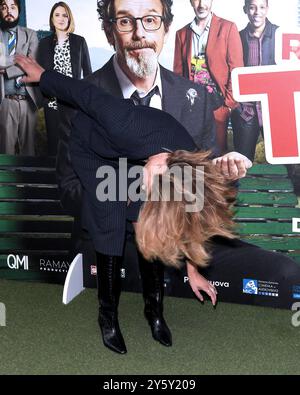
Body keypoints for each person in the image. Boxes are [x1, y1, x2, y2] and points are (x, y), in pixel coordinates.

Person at [16, 55, 300, 356]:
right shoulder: (122, 121)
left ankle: (154, 312)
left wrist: (192, 271)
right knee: (110, 220)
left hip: (144, 159)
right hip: (93, 149)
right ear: (155, 162)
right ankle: (108, 317)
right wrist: (43, 75)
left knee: (146, 230)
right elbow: (85, 94)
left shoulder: (186, 169)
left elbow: (189, 220)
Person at [54, 0, 253, 355]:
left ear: (165, 27)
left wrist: (192, 263)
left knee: (158, 247)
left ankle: (155, 314)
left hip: (166, 238)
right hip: (107, 234)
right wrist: (127, 201)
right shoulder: (83, 98)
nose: (140, 32)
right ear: (109, 29)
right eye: (126, 21)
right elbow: (70, 188)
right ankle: (108, 318)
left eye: (150, 20)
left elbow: (194, 191)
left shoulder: (197, 99)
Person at [173, 0, 244, 153]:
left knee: (218, 154)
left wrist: (228, 106)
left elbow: (236, 69)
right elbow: (178, 75)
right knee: (193, 153)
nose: (201, 4)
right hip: (192, 106)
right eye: (196, 0)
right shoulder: (182, 34)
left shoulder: (228, 28)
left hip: (218, 105)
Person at [37, 1, 92, 156]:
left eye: (65, 15)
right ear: (52, 19)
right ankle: (54, 179)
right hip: (51, 102)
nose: (61, 18)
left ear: (69, 19)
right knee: (54, 146)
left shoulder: (79, 41)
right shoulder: (44, 44)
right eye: (57, 15)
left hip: (73, 103)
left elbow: (88, 73)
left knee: (74, 144)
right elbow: (40, 74)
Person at [231, 0, 278, 161]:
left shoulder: (279, 35)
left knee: (285, 163)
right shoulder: (237, 37)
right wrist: (236, 106)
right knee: (242, 164)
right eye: (252, 7)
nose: (257, 12)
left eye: (262, 7)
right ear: (245, 9)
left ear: (268, 9)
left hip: (274, 111)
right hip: (246, 112)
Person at [0, 0, 42, 155]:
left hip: (27, 101)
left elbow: (32, 62)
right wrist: (20, 61)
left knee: (29, 150)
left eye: (12, 7)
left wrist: (6, 71)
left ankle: (29, 180)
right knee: (5, 149)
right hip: (5, 101)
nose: (8, 11)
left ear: (18, 10)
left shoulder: (30, 34)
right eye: (4, 7)